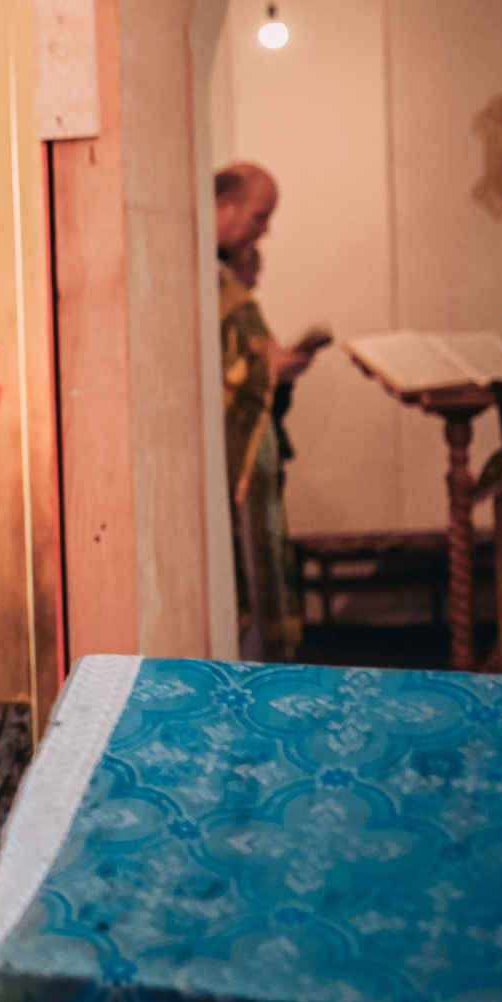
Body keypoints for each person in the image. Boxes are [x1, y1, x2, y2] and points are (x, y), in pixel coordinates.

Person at [214, 163, 326, 662]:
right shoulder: (201, 276)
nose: (265, 229)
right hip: (231, 456)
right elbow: (215, 369)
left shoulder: (223, 278)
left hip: (253, 449)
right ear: (224, 206)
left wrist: (277, 370)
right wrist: (269, 367)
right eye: (260, 216)